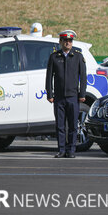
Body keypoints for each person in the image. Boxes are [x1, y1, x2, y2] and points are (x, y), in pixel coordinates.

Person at [45, 30, 87, 158]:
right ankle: (61, 149)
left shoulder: (78, 57)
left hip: (73, 96)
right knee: (60, 125)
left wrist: (82, 94)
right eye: (65, 41)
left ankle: (71, 150)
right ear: (60, 42)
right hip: (59, 97)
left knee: (73, 125)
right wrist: (50, 94)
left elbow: (83, 77)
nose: (68, 43)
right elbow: (49, 77)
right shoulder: (54, 57)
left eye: (70, 41)